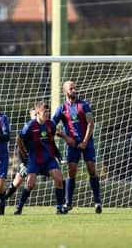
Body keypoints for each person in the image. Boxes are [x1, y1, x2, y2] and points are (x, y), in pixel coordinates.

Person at [53, 80, 102, 213]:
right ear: (65, 91)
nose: (74, 90)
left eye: (75, 88)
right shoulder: (62, 108)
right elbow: (52, 127)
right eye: (71, 88)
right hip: (72, 145)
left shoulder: (84, 105)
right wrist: (66, 137)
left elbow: (90, 123)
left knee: (91, 169)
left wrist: (85, 141)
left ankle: (97, 202)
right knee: (71, 171)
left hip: (87, 143)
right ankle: (68, 203)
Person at [14, 101, 67, 215]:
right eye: (44, 111)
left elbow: (51, 140)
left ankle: (59, 207)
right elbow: (19, 138)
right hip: (34, 160)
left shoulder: (51, 125)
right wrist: (24, 153)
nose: (47, 113)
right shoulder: (29, 126)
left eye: (48, 111)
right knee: (30, 184)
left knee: (59, 179)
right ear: (37, 113)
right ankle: (19, 206)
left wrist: (55, 154)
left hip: (49, 160)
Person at [0, 106, 36, 205]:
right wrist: (24, 161)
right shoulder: (28, 127)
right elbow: (19, 146)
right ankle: (4, 200)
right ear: (30, 115)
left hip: (39, 159)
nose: (36, 116)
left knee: (56, 176)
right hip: (26, 158)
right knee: (19, 180)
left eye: (37, 114)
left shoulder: (44, 126)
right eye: (34, 114)